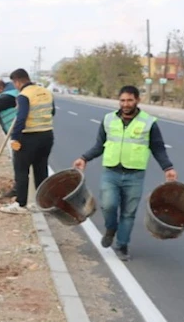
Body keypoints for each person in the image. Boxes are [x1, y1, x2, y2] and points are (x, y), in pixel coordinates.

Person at [73, 85, 177, 261]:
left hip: (134, 175)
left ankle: (122, 245)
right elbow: (100, 145)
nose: (126, 104)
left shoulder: (149, 122)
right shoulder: (108, 119)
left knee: (129, 213)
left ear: (137, 100)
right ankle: (111, 228)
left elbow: (158, 148)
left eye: (129, 100)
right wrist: (84, 158)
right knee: (109, 205)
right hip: (111, 172)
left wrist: (168, 168)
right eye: (122, 100)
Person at [0, 68, 56, 215]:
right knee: (41, 170)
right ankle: (42, 203)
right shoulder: (46, 92)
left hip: (29, 137)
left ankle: (20, 203)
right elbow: (52, 111)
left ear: (17, 81)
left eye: (15, 83)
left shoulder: (24, 95)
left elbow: (21, 118)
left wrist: (15, 137)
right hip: (47, 135)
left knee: (21, 171)